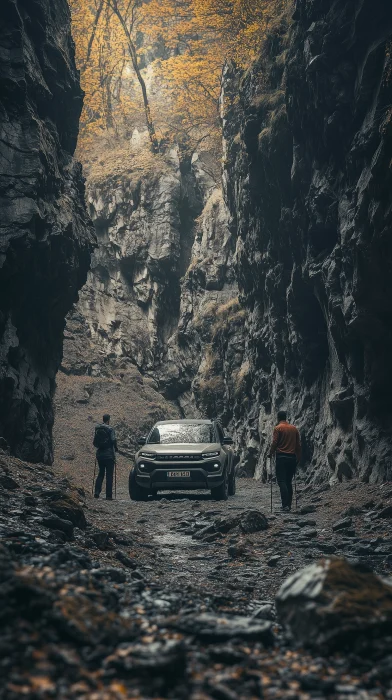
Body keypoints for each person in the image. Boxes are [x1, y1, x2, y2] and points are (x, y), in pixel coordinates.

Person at [268, 410, 301, 512]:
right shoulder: (294, 428)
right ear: (286, 417)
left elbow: (275, 442)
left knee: (281, 481)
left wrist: (270, 453)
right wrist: (298, 457)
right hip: (292, 458)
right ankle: (289, 505)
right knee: (288, 481)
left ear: (278, 418)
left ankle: (285, 505)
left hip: (281, 457)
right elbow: (298, 445)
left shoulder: (278, 428)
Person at [93, 414, 118, 500]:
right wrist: (116, 448)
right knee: (109, 475)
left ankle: (96, 492)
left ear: (103, 419)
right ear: (108, 420)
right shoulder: (110, 429)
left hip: (100, 454)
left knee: (101, 473)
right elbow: (113, 440)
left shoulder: (97, 428)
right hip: (109, 455)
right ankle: (108, 495)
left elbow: (95, 442)